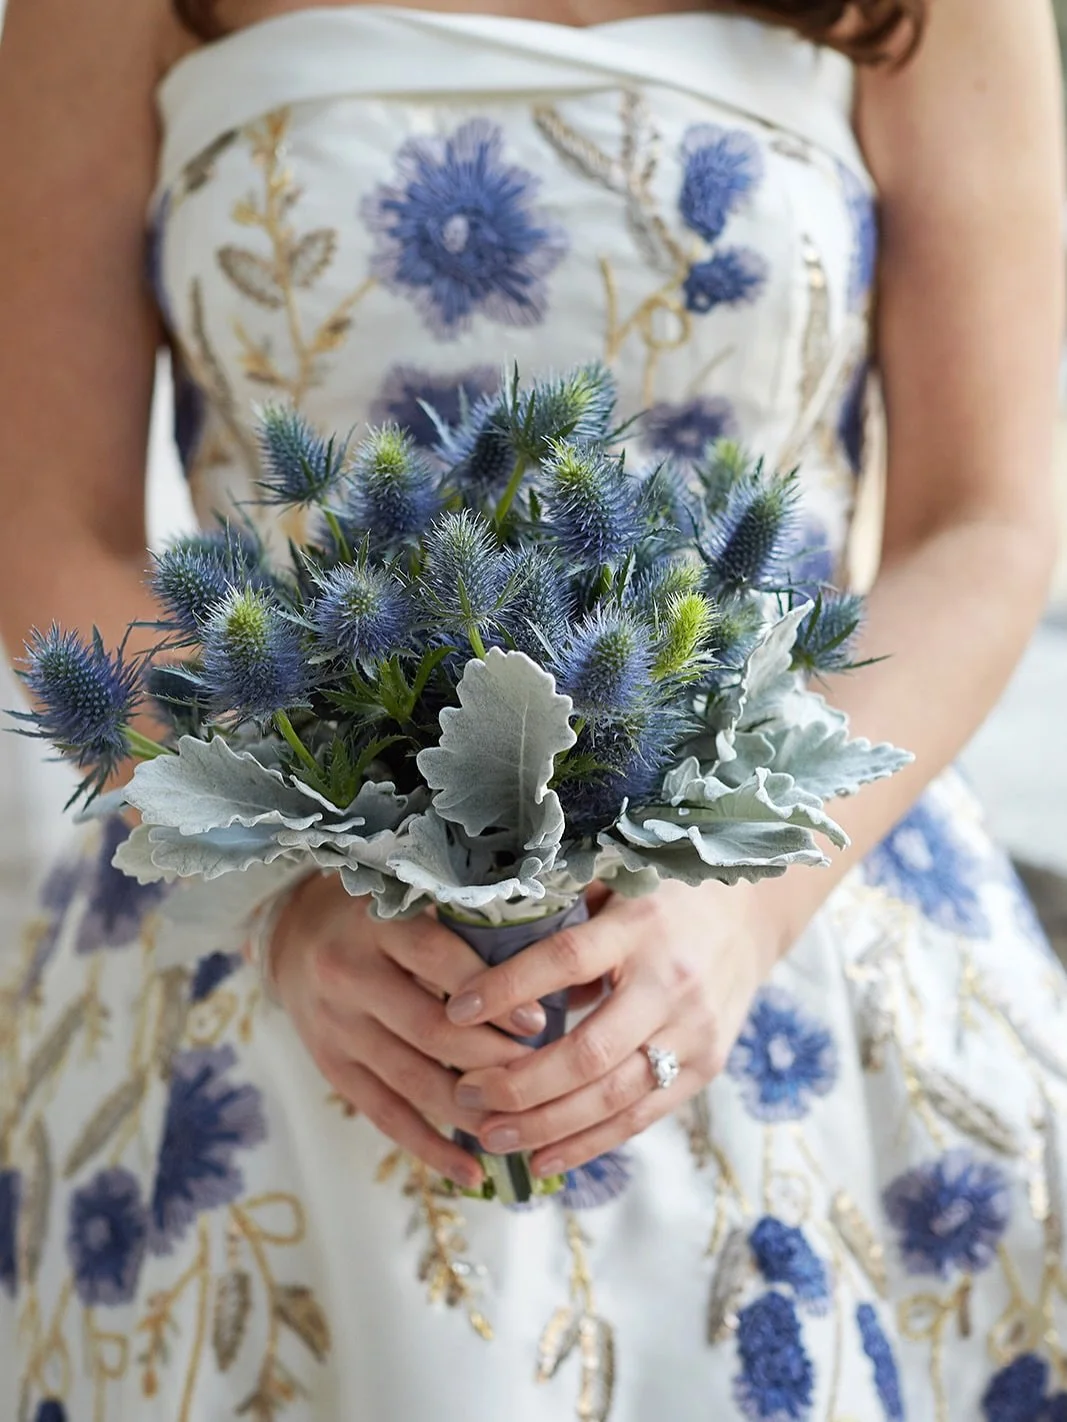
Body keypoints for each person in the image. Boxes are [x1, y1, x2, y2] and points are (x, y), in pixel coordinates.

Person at [0, 0, 1063, 1417]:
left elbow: (982, 521)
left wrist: (745, 907)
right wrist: (279, 887)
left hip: (798, 904)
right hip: (262, 953)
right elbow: (34, 510)